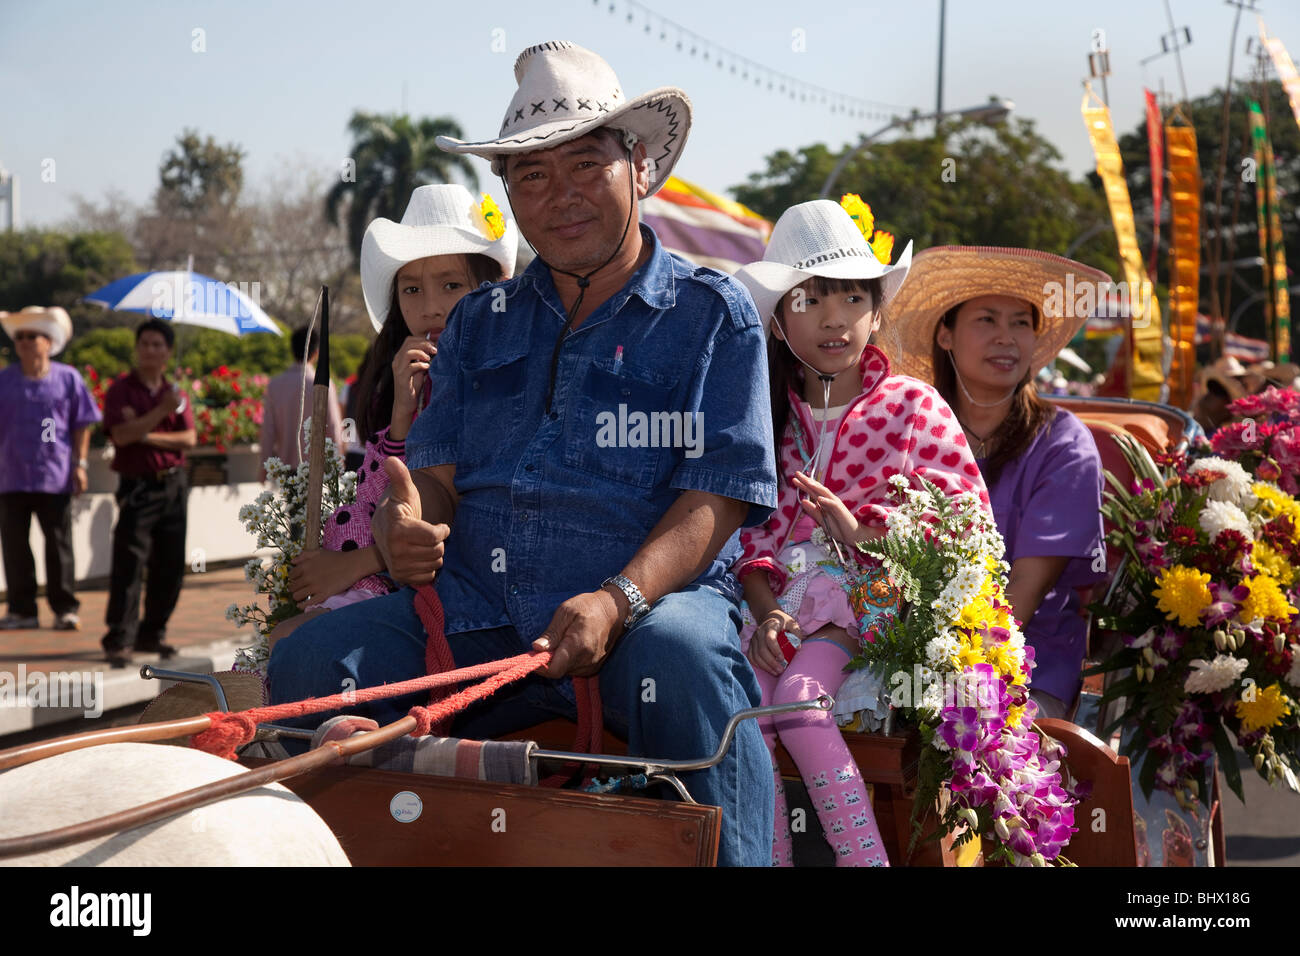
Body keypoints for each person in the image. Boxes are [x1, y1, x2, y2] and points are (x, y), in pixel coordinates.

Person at [268, 40, 778, 866]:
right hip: (475, 617)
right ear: (509, 193)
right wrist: (409, 529)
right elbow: (429, 481)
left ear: (638, 166)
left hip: (644, 618)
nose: (560, 195)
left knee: (684, 660)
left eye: (585, 165)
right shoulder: (479, 320)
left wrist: (615, 600)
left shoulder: (713, 314)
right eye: (531, 175)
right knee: (310, 658)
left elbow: (714, 499)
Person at [733, 200, 988, 866]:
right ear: (780, 321)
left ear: (877, 314)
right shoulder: (762, 417)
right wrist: (765, 619)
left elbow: (966, 521)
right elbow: (747, 540)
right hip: (779, 611)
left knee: (794, 701)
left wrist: (862, 533)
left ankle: (864, 859)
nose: (833, 317)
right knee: (742, 707)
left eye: (852, 296)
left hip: (875, 606)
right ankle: (773, 857)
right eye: (809, 299)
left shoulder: (912, 404)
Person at [272, 183, 515, 640]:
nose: (430, 308)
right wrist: (403, 411)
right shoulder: (411, 383)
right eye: (411, 289)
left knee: (300, 643)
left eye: (451, 285)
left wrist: (353, 565)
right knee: (283, 639)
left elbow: (461, 511)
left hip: (455, 594)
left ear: (493, 290)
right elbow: (379, 496)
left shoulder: (505, 384)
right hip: (376, 581)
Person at [883, 246, 1108, 720]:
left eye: (1021, 323)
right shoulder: (904, 429)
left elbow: (1022, 594)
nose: (1006, 339)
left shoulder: (1064, 445)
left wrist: (949, 672)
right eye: (986, 320)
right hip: (896, 652)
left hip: (1023, 664)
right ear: (945, 335)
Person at [100, 318, 197, 667]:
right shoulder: (121, 390)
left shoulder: (176, 394)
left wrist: (144, 431)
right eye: (145, 344)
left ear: (168, 352)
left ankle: (152, 632)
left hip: (173, 483)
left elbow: (188, 440)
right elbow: (121, 436)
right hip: (137, 486)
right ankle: (119, 639)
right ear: (137, 348)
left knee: (169, 565)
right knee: (129, 562)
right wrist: (160, 414)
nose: (151, 350)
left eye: (158, 345)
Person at [0, 307, 101, 630]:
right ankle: (22, 610)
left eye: (33, 336)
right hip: (10, 475)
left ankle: (65, 608)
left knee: (59, 545)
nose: (26, 342)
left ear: (49, 341)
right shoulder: (4, 380)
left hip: (54, 476)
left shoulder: (68, 378)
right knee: (15, 546)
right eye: (20, 337)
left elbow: (83, 423)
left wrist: (80, 464)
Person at [258, 326, 344, 480]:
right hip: (316, 467)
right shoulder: (324, 384)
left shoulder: (275, 385)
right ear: (316, 352)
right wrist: (338, 464)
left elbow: (268, 430)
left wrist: (263, 466)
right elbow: (333, 426)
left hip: (284, 465)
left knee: (290, 503)